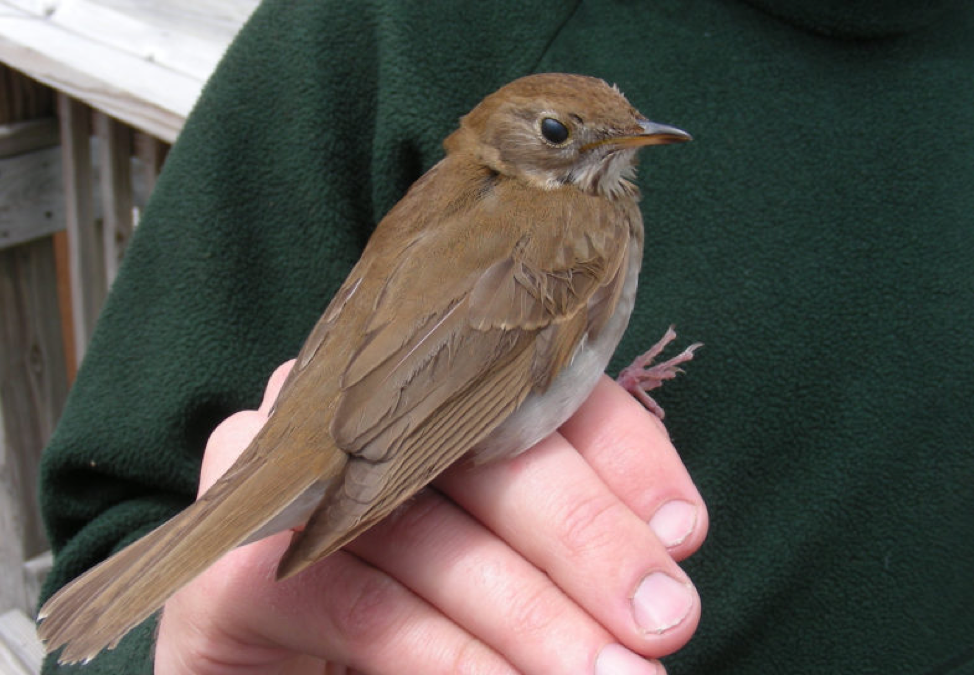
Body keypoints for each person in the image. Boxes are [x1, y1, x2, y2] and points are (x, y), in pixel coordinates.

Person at [39, 1, 974, 674]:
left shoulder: (503, 206)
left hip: (376, 400)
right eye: (567, 134)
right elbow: (489, 380)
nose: (609, 147)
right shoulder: (578, 223)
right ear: (505, 143)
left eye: (620, 130)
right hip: (392, 418)